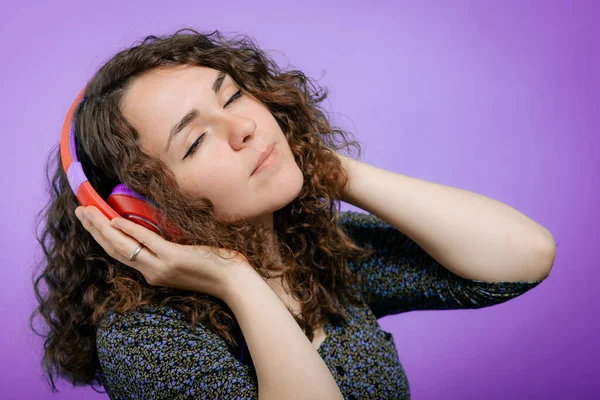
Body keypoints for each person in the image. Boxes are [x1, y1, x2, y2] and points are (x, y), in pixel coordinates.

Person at [31, 28, 554, 399]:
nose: (244, 128)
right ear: (139, 208)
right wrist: (234, 280)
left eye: (233, 96)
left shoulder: (315, 252)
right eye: (194, 142)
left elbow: (523, 257)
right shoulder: (144, 338)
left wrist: (325, 167)